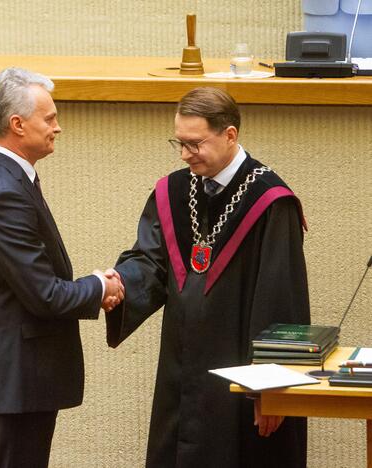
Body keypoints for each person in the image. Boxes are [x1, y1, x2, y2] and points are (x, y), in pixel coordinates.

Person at [107, 87, 310, 467]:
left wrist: (271, 390)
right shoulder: (174, 190)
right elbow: (151, 261)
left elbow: (281, 303)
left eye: (194, 144)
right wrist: (118, 283)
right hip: (181, 370)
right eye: (179, 143)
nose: (185, 155)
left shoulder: (270, 201)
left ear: (229, 135)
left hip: (240, 379)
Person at [0, 67, 124, 468]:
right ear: (17, 124)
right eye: (49, 118)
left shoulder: (11, 180)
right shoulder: (3, 192)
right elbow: (44, 294)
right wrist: (99, 287)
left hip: (21, 378)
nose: (58, 127)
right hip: (16, 380)